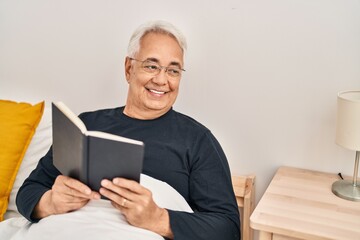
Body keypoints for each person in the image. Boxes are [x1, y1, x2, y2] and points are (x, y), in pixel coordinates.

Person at [16, 20, 240, 240]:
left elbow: (228, 229)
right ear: (128, 68)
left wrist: (159, 219)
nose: (162, 80)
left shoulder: (198, 140)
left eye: (173, 70)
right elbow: (29, 191)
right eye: (151, 66)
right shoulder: (86, 126)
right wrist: (50, 202)